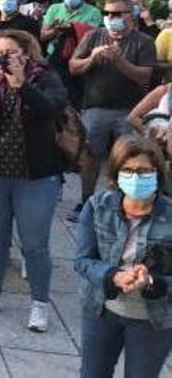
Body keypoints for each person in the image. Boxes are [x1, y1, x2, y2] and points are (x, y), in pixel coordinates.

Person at [0, 30, 68, 331]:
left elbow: (52, 108)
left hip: (35, 176)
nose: (5, 58)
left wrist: (23, 86)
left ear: (27, 53)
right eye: (0, 53)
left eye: (11, 52)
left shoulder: (45, 77)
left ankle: (39, 303)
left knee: (35, 244)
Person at [75, 135, 172, 378]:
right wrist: (113, 276)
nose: (136, 177)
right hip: (102, 310)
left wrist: (151, 281)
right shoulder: (97, 206)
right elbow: (83, 260)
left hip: (153, 319)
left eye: (144, 171)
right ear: (116, 173)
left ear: (157, 174)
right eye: (128, 170)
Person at [68, 0, 157, 222]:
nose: (111, 18)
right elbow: (73, 67)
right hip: (96, 107)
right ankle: (86, 200)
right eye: (107, 14)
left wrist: (119, 62)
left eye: (117, 14)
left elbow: (144, 77)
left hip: (129, 110)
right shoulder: (93, 36)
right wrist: (92, 59)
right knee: (90, 155)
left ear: (131, 15)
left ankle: (122, 203)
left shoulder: (143, 41)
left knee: (128, 157)